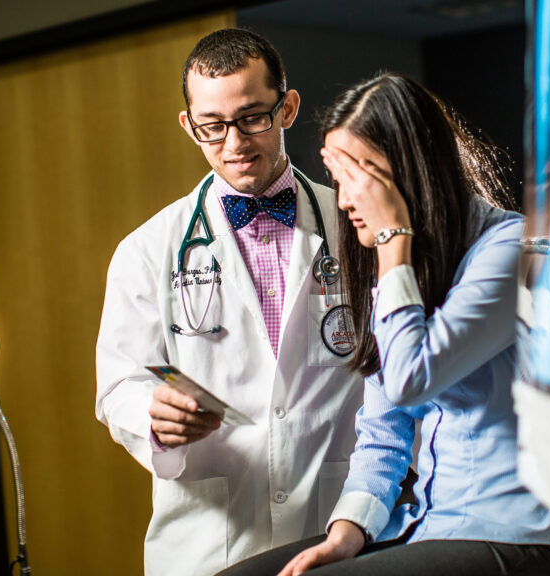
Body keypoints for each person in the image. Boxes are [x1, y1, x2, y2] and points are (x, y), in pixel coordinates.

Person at [216, 73, 550, 576]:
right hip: (428, 528)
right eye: (338, 179)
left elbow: (413, 378)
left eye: (359, 178)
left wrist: (394, 241)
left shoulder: (508, 252)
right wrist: (345, 534)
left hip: (517, 539)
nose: (344, 201)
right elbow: (384, 431)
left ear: (409, 171)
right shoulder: (407, 266)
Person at [95, 28, 364, 576]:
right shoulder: (148, 250)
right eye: (211, 127)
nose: (234, 144)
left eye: (252, 118)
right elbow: (119, 383)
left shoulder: (356, 226)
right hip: (208, 543)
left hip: (338, 525)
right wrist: (154, 417)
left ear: (287, 107)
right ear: (188, 124)